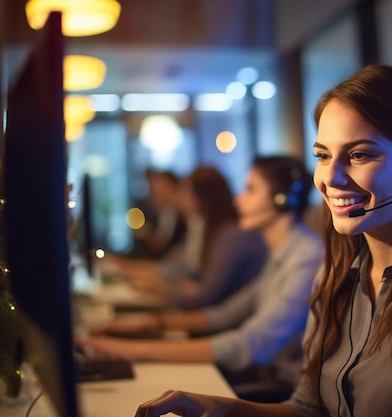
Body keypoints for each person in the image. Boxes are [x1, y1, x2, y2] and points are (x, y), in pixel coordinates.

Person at [131, 64, 392, 417]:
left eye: (359, 155)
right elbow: (308, 409)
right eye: (323, 155)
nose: (331, 178)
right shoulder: (340, 270)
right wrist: (221, 407)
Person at [81, 155, 323, 400]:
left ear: (282, 199)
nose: (238, 201)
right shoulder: (281, 254)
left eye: (250, 190)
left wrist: (135, 350)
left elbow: (249, 345)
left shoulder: (306, 257)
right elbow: (224, 315)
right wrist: (151, 324)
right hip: (267, 379)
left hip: (287, 392)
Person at [102, 166, 268, 309]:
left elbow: (205, 295)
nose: (238, 200)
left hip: (211, 319)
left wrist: (161, 290)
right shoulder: (200, 226)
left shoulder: (233, 237)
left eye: (250, 189)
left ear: (205, 197)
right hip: (208, 316)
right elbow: (173, 269)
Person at [130, 169, 187, 260]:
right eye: (152, 188)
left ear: (172, 187)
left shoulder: (185, 216)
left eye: (158, 188)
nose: (153, 193)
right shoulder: (163, 213)